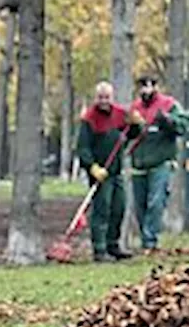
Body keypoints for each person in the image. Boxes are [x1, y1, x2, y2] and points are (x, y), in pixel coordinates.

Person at [127, 74, 190, 252]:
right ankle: (144, 238)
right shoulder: (135, 108)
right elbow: (125, 135)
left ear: (156, 86)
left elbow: (184, 125)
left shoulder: (169, 104)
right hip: (139, 163)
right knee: (140, 206)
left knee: (156, 202)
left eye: (150, 85)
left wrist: (168, 121)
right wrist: (132, 128)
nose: (146, 89)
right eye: (142, 86)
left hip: (161, 162)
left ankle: (150, 241)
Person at [75, 82, 134, 263]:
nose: (103, 101)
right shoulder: (89, 119)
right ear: (96, 98)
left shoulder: (120, 114)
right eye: (100, 97)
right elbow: (82, 148)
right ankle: (99, 249)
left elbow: (132, 133)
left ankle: (113, 245)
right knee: (102, 208)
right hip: (100, 172)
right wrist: (92, 167)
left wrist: (137, 124)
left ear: (112, 97)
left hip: (116, 170)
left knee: (119, 207)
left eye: (107, 97)